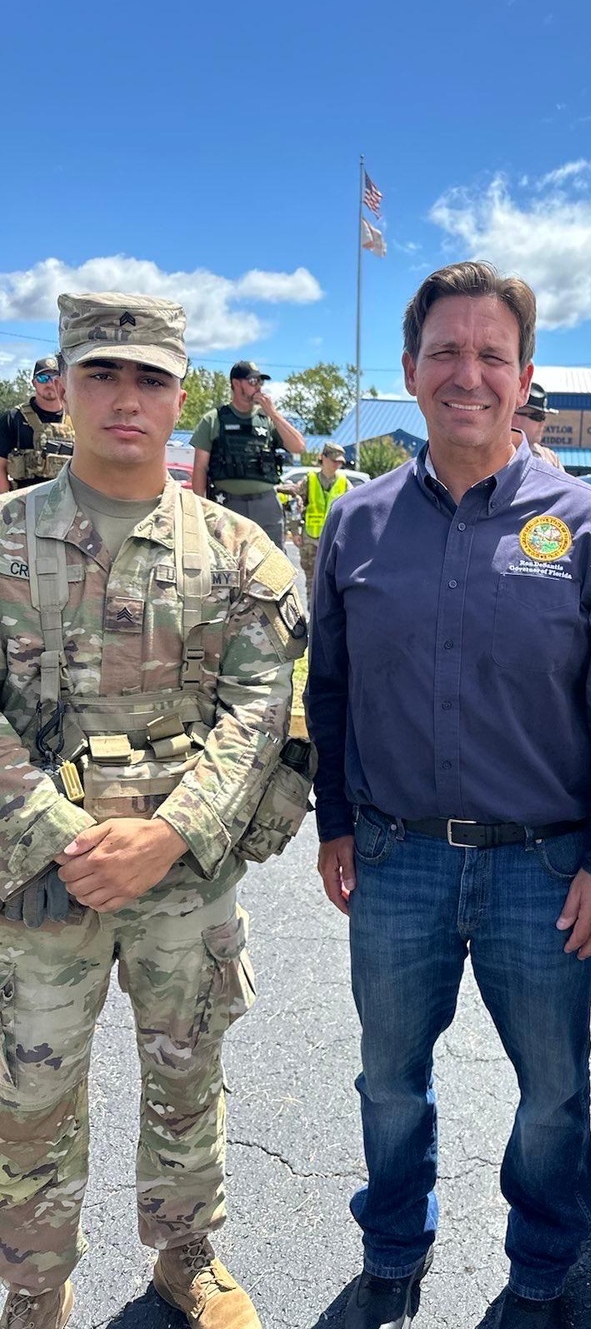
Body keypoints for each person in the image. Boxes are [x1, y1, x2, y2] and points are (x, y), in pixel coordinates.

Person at [307, 261, 591, 1329]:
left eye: (491, 355)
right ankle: (392, 1241)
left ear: (524, 376)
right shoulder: (358, 525)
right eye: (446, 352)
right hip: (396, 857)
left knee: (552, 1096)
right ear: (412, 371)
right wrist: (332, 819)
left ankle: (543, 1270)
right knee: (387, 1078)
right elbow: (328, 690)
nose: (468, 373)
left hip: (545, 869)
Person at [0, 292, 310, 1329]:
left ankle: (188, 1256)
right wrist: (61, 834)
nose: (126, 398)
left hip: (185, 874)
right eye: (102, 373)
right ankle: (35, 1290)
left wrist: (171, 832)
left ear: (181, 397)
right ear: (62, 386)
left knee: (189, 1074)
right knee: (30, 1099)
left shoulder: (237, 552)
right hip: (44, 877)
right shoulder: (7, 541)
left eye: (149, 378)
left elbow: (264, 709)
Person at [190, 360, 306, 548]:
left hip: (266, 504)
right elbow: (200, 468)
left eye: (260, 382)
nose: (258, 387)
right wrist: (199, 508)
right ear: (236, 384)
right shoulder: (214, 419)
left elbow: (298, 447)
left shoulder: (267, 419)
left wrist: (274, 414)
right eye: (253, 382)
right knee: (226, 563)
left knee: (271, 565)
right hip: (227, 504)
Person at [279, 442, 350, 605]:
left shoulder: (344, 482)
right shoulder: (309, 480)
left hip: (335, 540)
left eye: (340, 462)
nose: (337, 464)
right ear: (323, 458)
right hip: (310, 539)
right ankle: (314, 618)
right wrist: (295, 531)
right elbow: (294, 506)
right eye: (333, 460)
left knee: (333, 582)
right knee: (313, 582)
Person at [0, 356, 75, 492]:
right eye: (42, 378)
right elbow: (0, 467)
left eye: (54, 377)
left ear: (62, 382)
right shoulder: (13, 418)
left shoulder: (77, 417)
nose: (49, 383)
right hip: (24, 501)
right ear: (34, 383)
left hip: (69, 498)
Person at [514, 381, 563, 467]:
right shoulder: (490, 454)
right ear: (513, 417)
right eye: (537, 417)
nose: (542, 423)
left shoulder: (550, 458)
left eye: (543, 417)